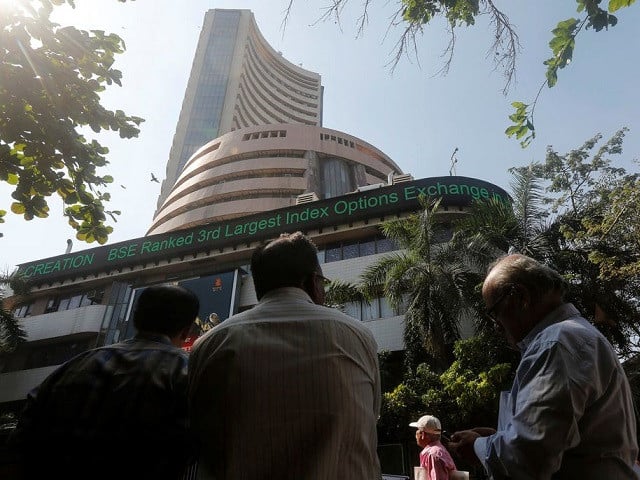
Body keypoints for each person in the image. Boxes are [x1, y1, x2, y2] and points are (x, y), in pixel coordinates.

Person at [188, 231, 382, 480]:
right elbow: (371, 416)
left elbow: (197, 433)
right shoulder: (357, 335)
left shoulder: (210, 343)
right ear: (313, 282)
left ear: (259, 286)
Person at [448, 253, 639, 479]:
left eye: (494, 312)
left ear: (520, 296)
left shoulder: (556, 344)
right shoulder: (574, 336)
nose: (496, 326)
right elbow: (554, 440)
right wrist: (500, 438)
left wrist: (479, 447)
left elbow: (528, 458)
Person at [7, 284, 200, 480]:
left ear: (135, 319)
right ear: (186, 330)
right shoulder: (187, 371)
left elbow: (21, 440)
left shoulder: (73, 367)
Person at [410, 415, 457, 480]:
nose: (416, 434)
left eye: (418, 430)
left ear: (423, 434)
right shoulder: (437, 451)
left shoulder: (433, 454)